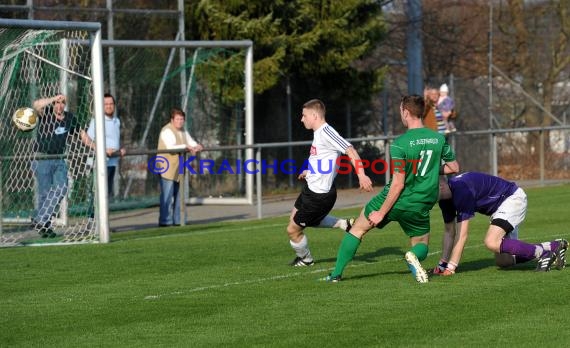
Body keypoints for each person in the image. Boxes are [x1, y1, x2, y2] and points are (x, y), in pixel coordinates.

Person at [322, 94, 459, 283]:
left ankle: (335, 274)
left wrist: (381, 212)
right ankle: (412, 255)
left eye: (401, 111)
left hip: (393, 200)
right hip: (421, 202)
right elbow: (454, 168)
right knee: (422, 246)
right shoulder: (438, 139)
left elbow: (398, 183)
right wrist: (432, 168)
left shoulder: (399, 144)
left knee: (357, 229)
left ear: (406, 112)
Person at [287, 99, 374, 267]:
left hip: (319, 196)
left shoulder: (327, 132)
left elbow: (350, 150)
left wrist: (362, 175)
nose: (301, 119)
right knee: (294, 220)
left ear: (314, 115)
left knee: (293, 230)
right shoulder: (318, 133)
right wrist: (310, 172)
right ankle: (343, 224)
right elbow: (324, 159)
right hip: (310, 188)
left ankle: (306, 260)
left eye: (304, 115)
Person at [434, 172, 568, 275]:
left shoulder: (460, 190)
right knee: (504, 261)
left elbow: (462, 235)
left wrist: (451, 267)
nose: (427, 195)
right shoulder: (445, 200)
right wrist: (442, 265)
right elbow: (449, 232)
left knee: (491, 242)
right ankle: (554, 246)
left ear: (441, 185)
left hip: (512, 199)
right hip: (501, 208)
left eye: (429, 190)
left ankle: (543, 254)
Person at [32, 94, 81, 238]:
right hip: (42, 157)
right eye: (57, 103)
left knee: (62, 188)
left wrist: (96, 146)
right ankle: (45, 228)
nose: (59, 105)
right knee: (45, 194)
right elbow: (36, 105)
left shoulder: (69, 118)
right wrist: (53, 98)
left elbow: (81, 134)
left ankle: (39, 219)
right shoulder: (46, 113)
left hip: (59, 159)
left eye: (62, 103)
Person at [156, 108, 203, 227]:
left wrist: (197, 146)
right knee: (167, 196)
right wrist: (187, 146)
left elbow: (191, 142)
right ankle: (165, 222)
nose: (180, 121)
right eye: (177, 119)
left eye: (182, 119)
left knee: (179, 195)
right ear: (172, 120)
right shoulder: (166, 130)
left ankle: (179, 220)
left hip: (179, 168)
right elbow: (171, 147)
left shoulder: (183, 131)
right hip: (166, 168)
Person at [81, 93, 126, 198]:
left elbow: (114, 140)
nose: (109, 106)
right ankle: (91, 215)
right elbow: (87, 140)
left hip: (112, 163)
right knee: (97, 196)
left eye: (111, 104)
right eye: (106, 104)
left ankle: (103, 215)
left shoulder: (117, 121)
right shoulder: (96, 121)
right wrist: (103, 150)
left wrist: (121, 149)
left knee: (107, 195)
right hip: (99, 164)